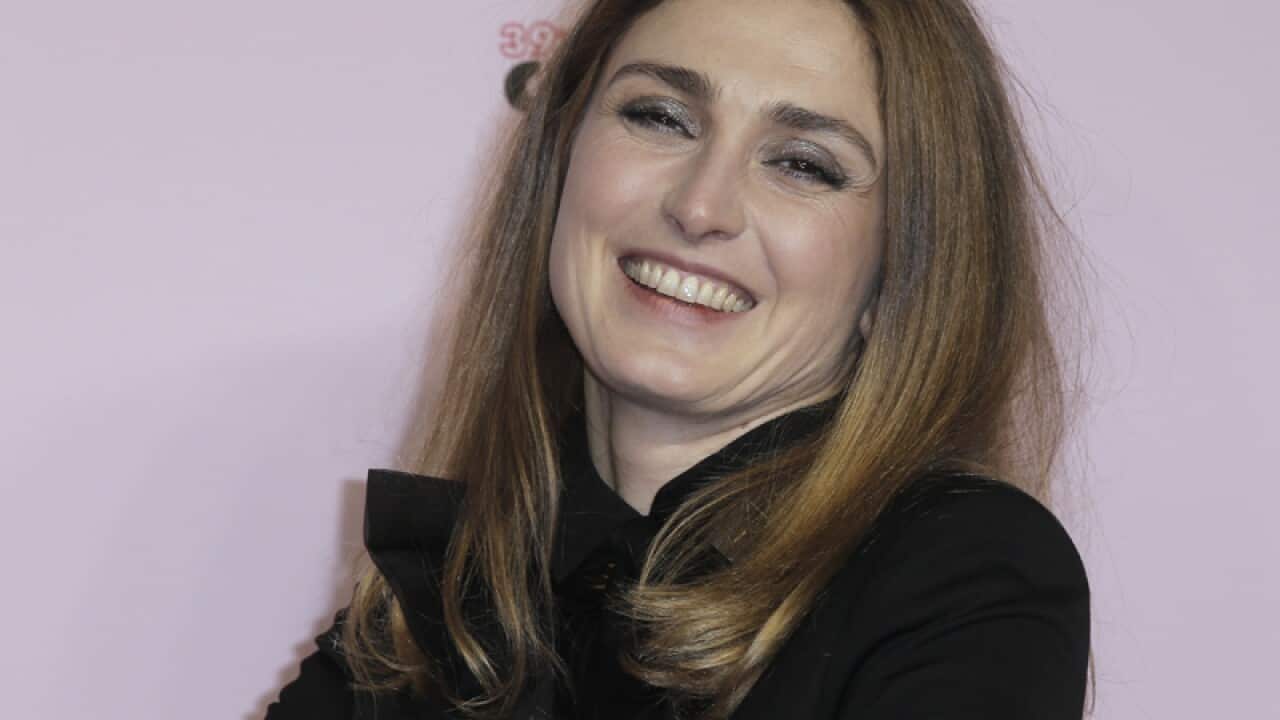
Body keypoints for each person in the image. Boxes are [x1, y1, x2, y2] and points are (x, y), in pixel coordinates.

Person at [265, 0, 1092, 717]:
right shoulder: (440, 593)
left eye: (803, 164)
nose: (700, 206)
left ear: (902, 269)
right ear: (559, 156)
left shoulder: (962, 578)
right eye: (661, 117)